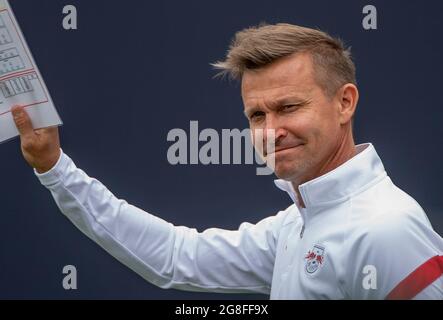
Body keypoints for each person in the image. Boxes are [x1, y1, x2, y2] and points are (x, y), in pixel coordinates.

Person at [12, 23, 443, 299]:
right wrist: (55, 169)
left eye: (289, 106)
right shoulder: (299, 222)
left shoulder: (385, 229)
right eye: (257, 115)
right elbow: (176, 256)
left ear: (344, 102)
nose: (270, 130)